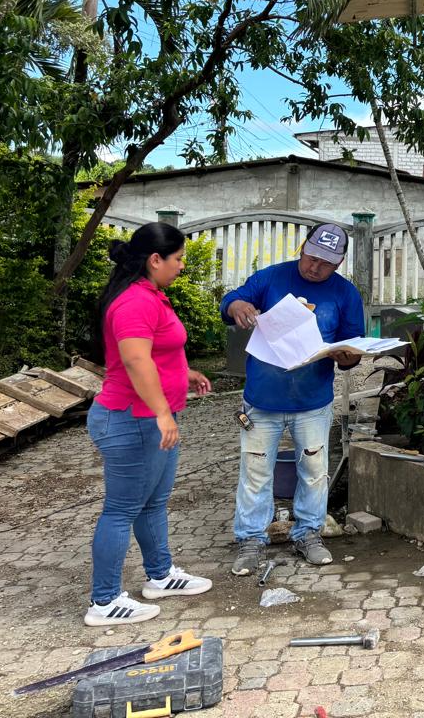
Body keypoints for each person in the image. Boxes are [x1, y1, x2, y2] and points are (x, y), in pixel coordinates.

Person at [86, 223, 213, 626]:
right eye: (178, 259)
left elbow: (155, 351)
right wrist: (161, 411)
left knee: (152, 503)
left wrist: (184, 373)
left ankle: (160, 575)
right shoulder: (133, 302)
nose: (181, 266)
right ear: (155, 259)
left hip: (148, 419)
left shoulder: (150, 294)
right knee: (121, 510)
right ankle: (104, 601)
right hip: (133, 420)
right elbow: (134, 359)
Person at [221, 222, 365, 575]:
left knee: (314, 472)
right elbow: (231, 300)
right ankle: (251, 540)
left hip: (313, 401)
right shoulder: (271, 277)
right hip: (261, 400)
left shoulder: (345, 293)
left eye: (326, 263)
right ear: (302, 248)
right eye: (311, 258)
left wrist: (347, 357)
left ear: (339, 263)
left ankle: (309, 534)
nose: (315, 267)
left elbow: (353, 348)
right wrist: (236, 305)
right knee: (255, 473)